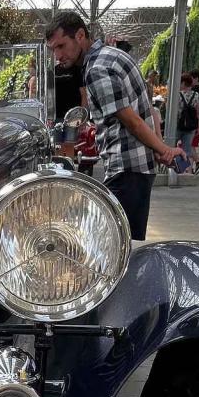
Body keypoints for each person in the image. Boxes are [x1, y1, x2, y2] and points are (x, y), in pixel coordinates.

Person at [45, 12, 184, 240]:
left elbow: (132, 120)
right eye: (53, 49)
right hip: (136, 167)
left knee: (115, 246)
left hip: (126, 168)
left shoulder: (97, 69)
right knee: (122, 241)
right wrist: (158, 147)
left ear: (80, 35)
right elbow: (148, 110)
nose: (58, 55)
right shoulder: (114, 56)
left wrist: (164, 150)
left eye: (61, 46)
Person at [177, 72, 199, 172]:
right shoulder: (197, 95)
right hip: (191, 126)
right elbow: (198, 113)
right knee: (187, 150)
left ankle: (175, 170)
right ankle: (186, 171)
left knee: (172, 147)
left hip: (178, 125)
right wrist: (197, 126)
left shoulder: (177, 95)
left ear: (183, 83)